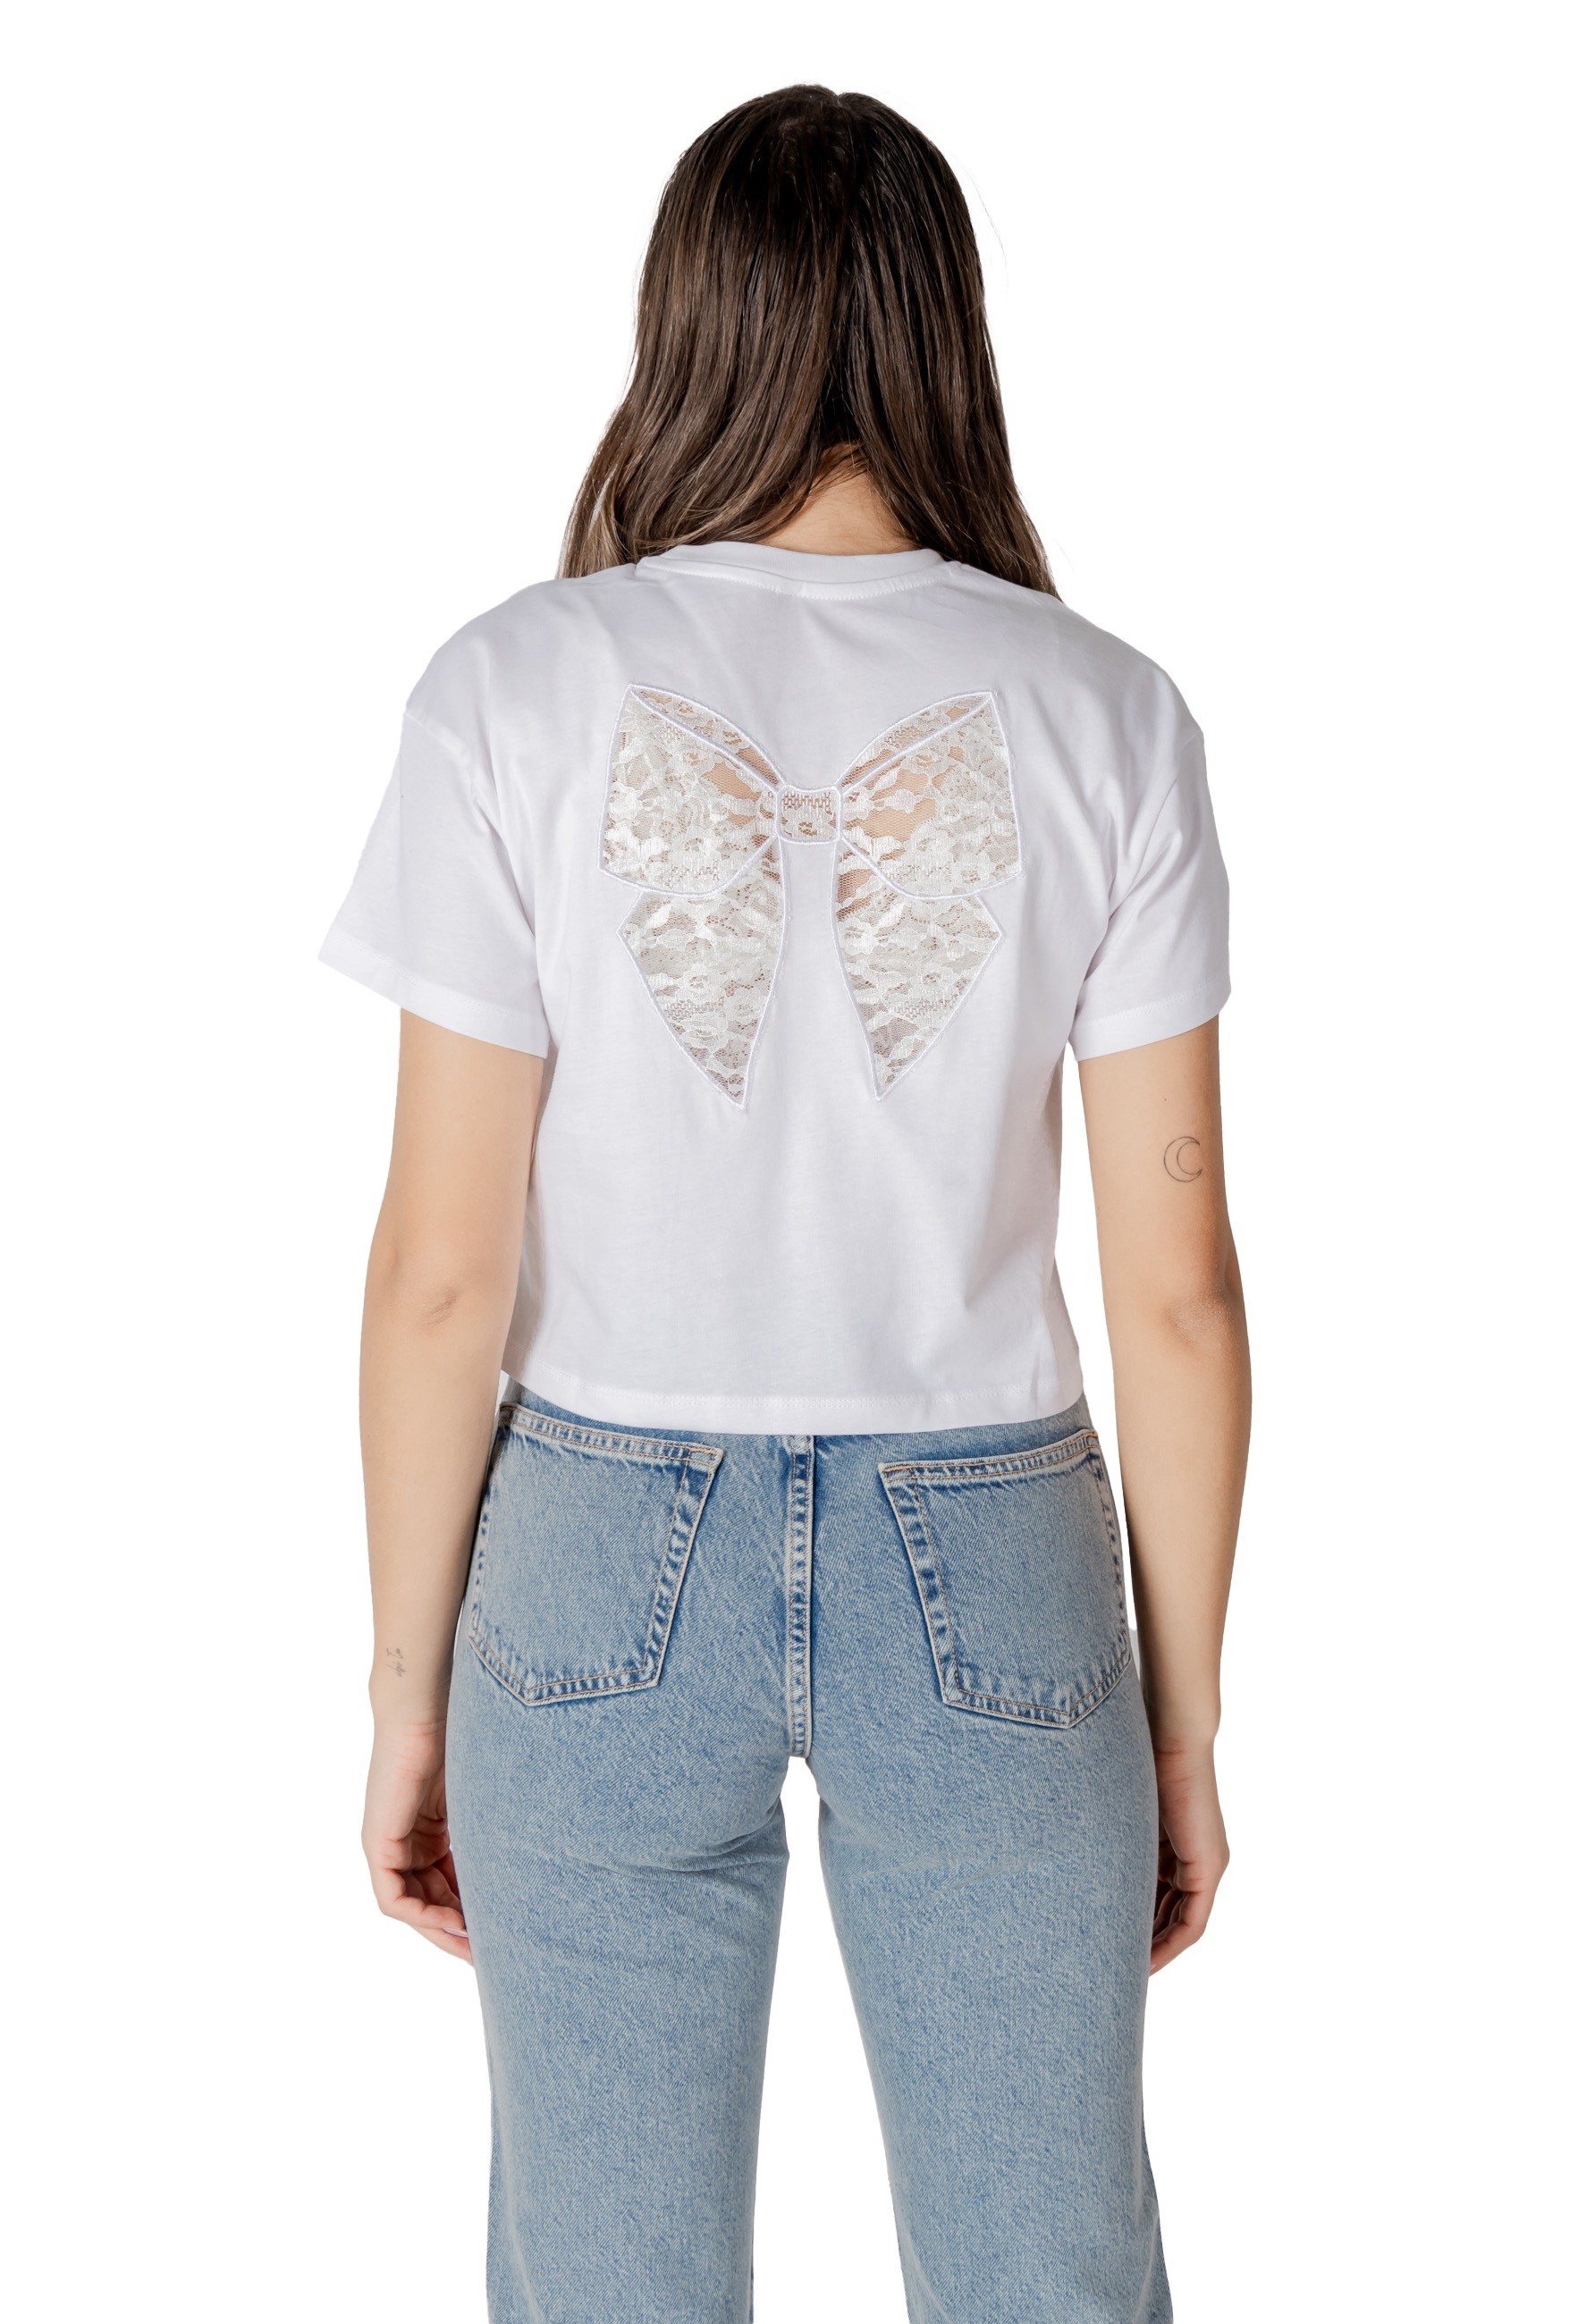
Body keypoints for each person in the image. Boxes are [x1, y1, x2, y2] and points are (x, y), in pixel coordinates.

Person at [322, 83, 1251, 2324]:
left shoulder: (514, 688)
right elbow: (1181, 1292)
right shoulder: (1108, 710)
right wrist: (1183, 1718)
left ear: (687, 324)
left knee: (606, 2284)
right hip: (996, 1546)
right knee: (1049, 2272)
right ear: (949, 331)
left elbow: (444, 1274)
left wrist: (408, 1689)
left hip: (592, 1542)